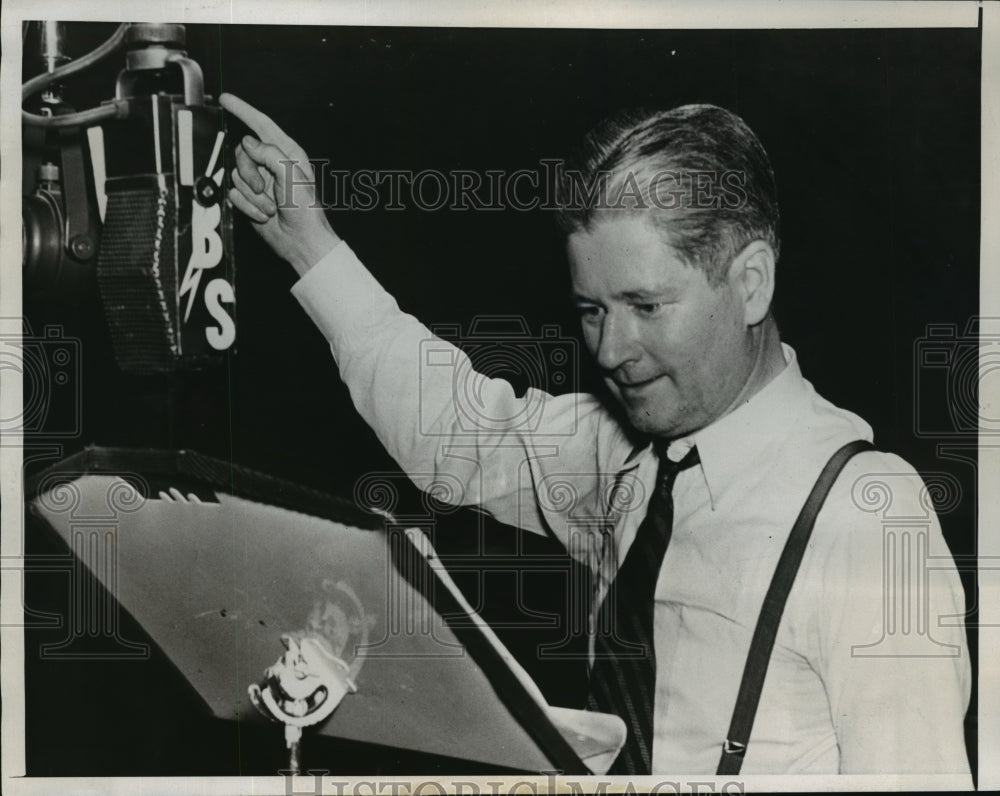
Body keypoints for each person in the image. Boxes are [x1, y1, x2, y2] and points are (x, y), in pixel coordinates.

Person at [219, 93, 971, 777]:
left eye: (646, 305)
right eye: (591, 310)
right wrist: (309, 248)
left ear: (751, 283)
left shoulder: (868, 517)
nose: (610, 351)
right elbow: (457, 431)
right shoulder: (626, 452)